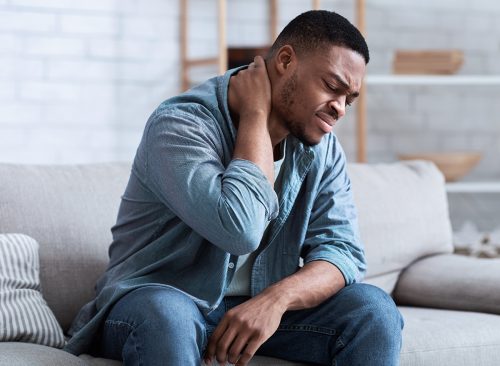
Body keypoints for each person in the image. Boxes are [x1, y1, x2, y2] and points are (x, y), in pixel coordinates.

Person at [65, 9, 403, 366]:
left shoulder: (321, 147)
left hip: (257, 307)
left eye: (349, 99)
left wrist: (276, 300)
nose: (339, 109)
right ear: (286, 60)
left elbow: (343, 252)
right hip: (159, 302)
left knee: (374, 309)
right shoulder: (181, 125)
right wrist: (256, 115)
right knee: (168, 316)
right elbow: (240, 230)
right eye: (332, 87)